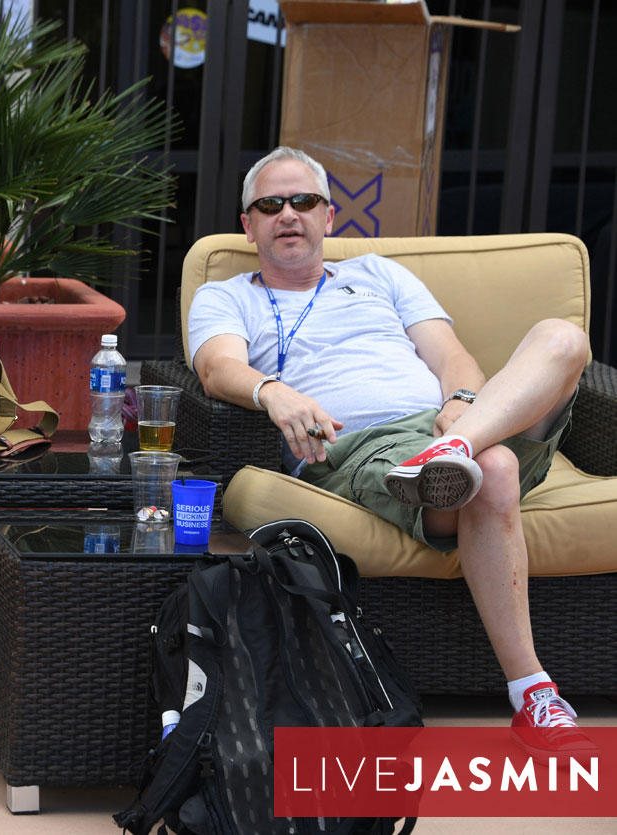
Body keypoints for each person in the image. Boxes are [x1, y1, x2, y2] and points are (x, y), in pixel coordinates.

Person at [188, 146, 593, 752]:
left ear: (330, 216)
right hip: (357, 448)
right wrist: (273, 391)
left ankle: (455, 449)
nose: (289, 214)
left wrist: (459, 402)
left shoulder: (380, 274)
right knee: (498, 467)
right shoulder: (228, 296)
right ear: (249, 225)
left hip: (449, 425)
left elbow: (453, 357)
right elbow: (219, 369)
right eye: (270, 205)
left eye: (304, 201)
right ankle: (533, 692)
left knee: (564, 338)